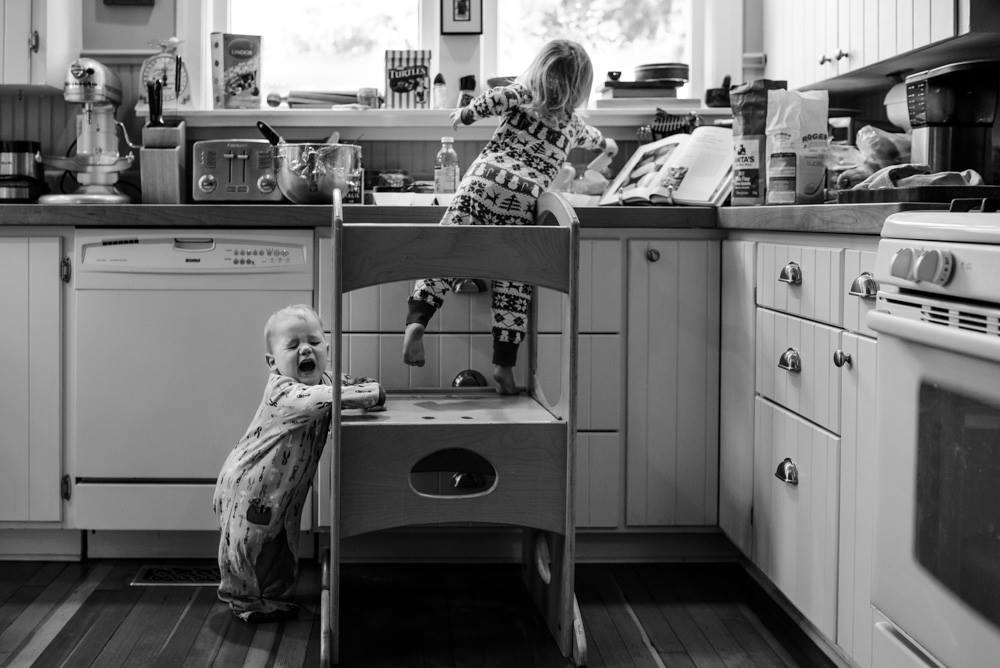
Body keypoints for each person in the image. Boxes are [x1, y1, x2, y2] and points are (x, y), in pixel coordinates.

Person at [401, 39, 618, 394]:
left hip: (480, 183)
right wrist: (608, 145)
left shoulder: (522, 95)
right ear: (581, 88)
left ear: (537, 70)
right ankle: (504, 365)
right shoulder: (573, 124)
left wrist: (465, 114)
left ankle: (417, 323)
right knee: (513, 282)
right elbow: (595, 139)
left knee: (444, 253)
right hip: (522, 198)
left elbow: (492, 100)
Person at [213, 304, 385, 623]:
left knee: (279, 543)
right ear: (272, 363)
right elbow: (331, 397)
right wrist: (371, 391)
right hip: (251, 485)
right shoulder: (284, 392)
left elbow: (342, 384)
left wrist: (359, 383)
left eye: (314, 343)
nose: (305, 349)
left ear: (327, 350)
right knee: (249, 545)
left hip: (284, 488)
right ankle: (244, 601)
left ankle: (272, 599)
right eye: (292, 346)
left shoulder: (323, 379)